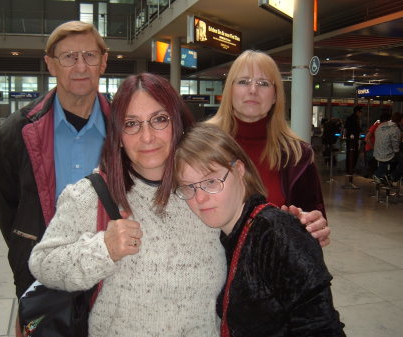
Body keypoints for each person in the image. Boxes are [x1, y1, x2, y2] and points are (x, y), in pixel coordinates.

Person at [29, 73, 330, 337]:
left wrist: (292, 228)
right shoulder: (90, 195)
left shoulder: (202, 192)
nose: (147, 137)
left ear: (178, 123)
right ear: (118, 136)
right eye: (132, 124)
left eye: (159, 120)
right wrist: (102, 249)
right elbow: (43, 264)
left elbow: (250, 231)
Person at [173, 123, 346, 337]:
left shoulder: (274, 233)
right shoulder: (228, 234)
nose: (199, 198)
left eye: (211, 181)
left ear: (239, 170)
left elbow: (320, 327)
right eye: (189, 186)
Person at [0, 20, 110, 300]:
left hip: (110, 275)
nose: (80, 67)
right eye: (68, 57)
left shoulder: (125, 128)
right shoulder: (18, 131)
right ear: (50, 64)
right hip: (41, 278)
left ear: (103, 62)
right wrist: (25, 255)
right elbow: (8, 208)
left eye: (89, 56)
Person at [207, 50, 328, 225]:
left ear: (275, 96)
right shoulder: (202, 143)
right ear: (229, 91)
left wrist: (311, 225)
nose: (253, 90)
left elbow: (313, 218)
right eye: (243, 82)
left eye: (263, 83)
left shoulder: (297, 155)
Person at [373, 112, 402, 184]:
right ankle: (392, 177)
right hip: (387, 155)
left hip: (377, 153)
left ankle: (382, 174)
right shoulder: (395, 129)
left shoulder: (381, 125)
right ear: (401, 120)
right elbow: (396, 148)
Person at [344, 105, 363, 175]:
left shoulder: (350, 118)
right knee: (352, 153)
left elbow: (346, 128)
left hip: (350, 139)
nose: (361, 114)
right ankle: (351, 169)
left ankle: (350, 169)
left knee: (350, 153)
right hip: (353, 140)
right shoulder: (354, 119)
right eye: (361, 112)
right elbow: (355, 129)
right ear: (357, 112)